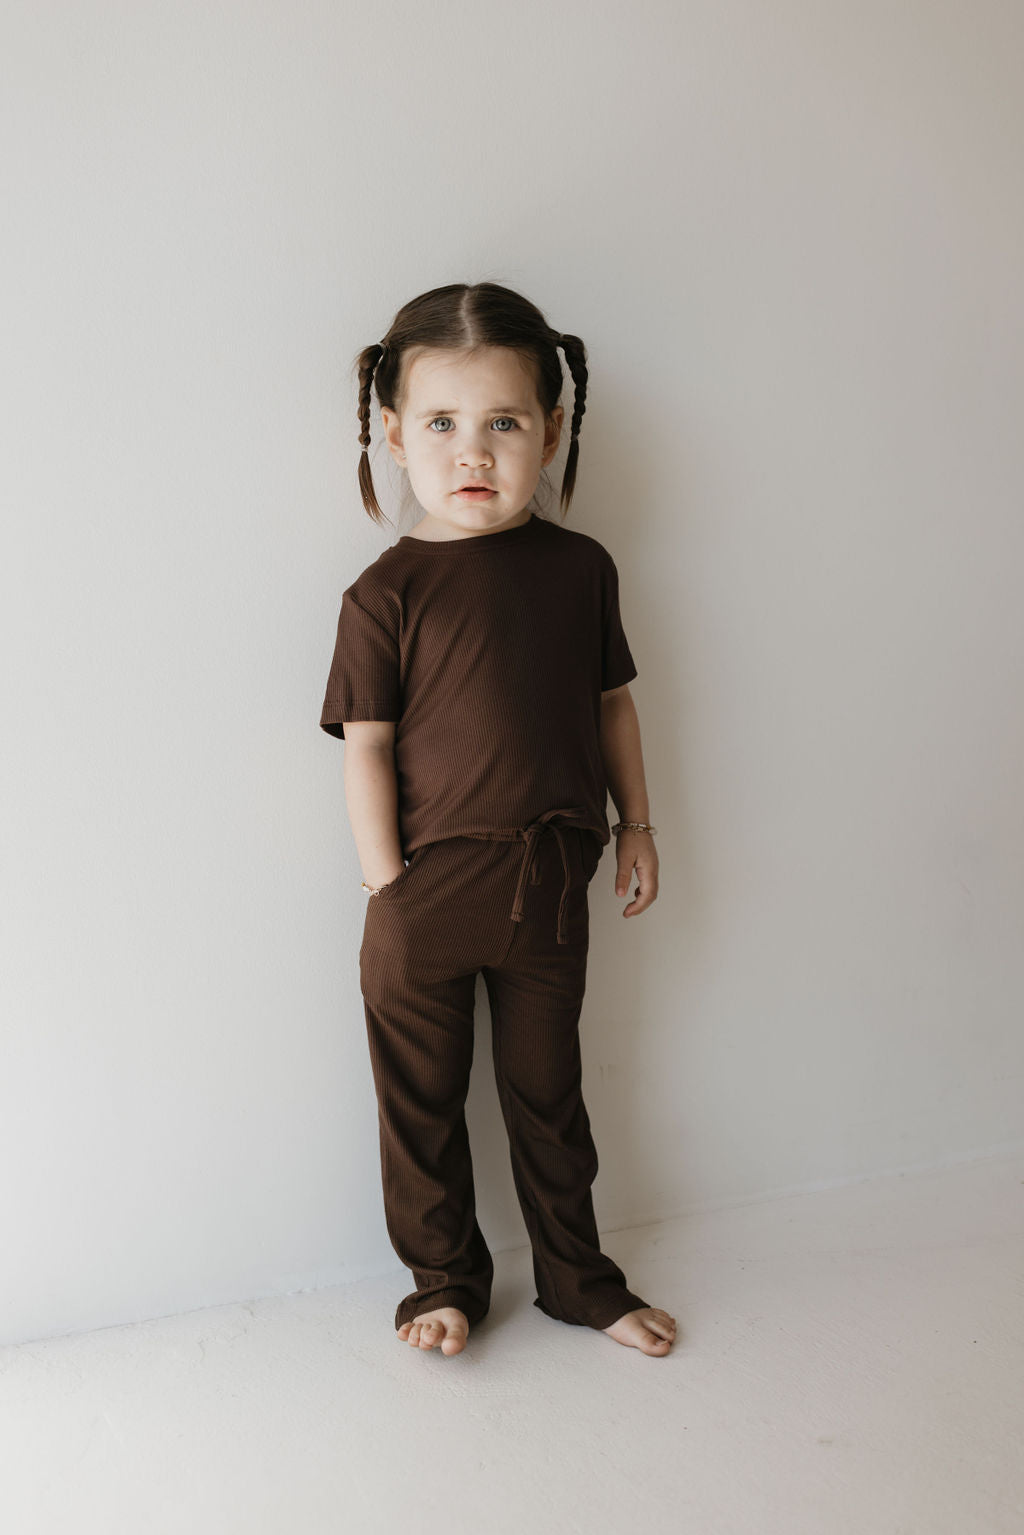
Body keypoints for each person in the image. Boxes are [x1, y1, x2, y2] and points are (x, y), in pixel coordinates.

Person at [319, 281, 676, 1359]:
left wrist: (638, 825)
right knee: (420, 1108)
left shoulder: (581, 569)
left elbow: (612, 705)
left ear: (550, 432)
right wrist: (388, 883)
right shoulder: (383, 593)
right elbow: (367, 745)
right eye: (440, 422)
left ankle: (577, 1278)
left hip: (549, 885)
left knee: (548, 1096)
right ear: (394, 434)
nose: (472, 451)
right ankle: (443, 1282)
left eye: (504, 423)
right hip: (424, 896)